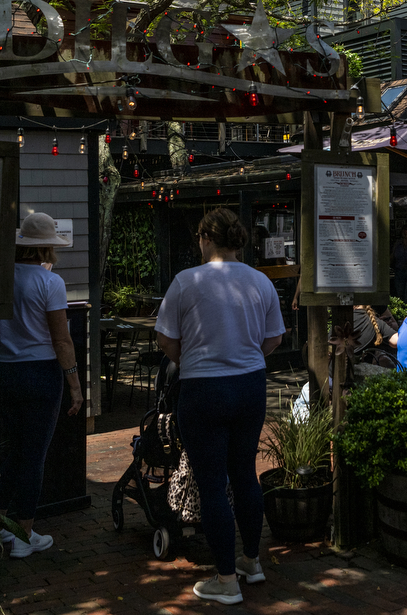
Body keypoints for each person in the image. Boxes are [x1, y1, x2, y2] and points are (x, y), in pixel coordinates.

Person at [156, 209, 286, 605]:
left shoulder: (186, 281)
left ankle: (226, 579)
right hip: (250, 385)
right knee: (245, 472)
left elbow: (165, 340)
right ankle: (251, 561)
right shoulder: (260, 281)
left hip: (203, 388)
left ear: (205, 238)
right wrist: (245, 356)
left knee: (212, 483)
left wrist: (193, 357)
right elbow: (275, 338)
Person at [0, 211, 81, 559]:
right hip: (41, 371)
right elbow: (61, 340)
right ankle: (24, 533)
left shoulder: (3, 276)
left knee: (11, 452)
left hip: (6, 369)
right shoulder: (50, 283)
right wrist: (74, 384)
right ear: (47, 247)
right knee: (34, 456)